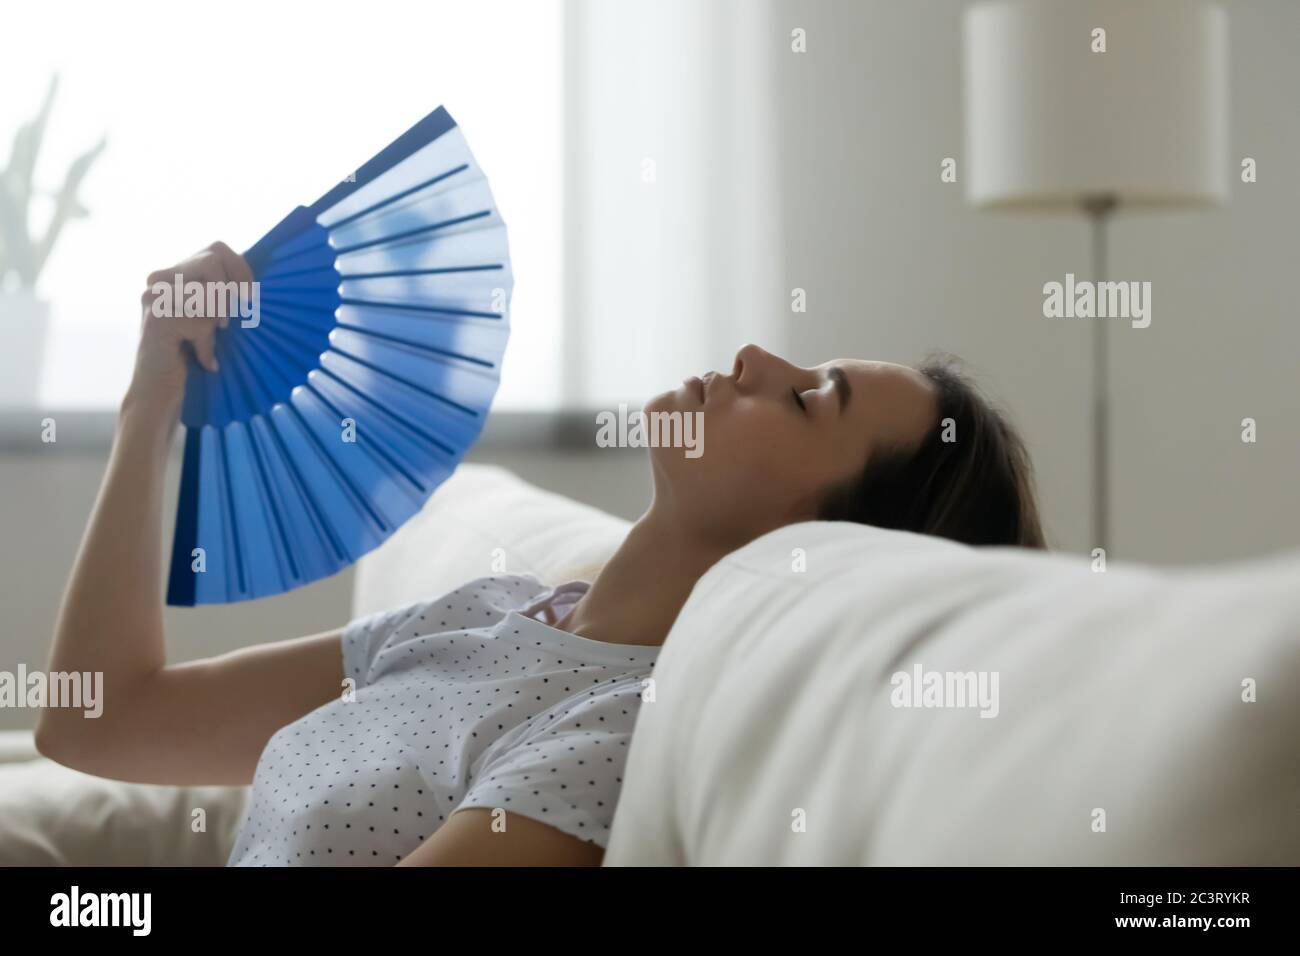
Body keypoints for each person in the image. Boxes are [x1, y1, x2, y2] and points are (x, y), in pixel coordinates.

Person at [36, 242, 1044, 866]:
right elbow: (101, 721)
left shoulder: (610, 737)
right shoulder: (497, 606)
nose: (754, 358)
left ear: (818, 538)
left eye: (808, 398)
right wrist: (150, 400)